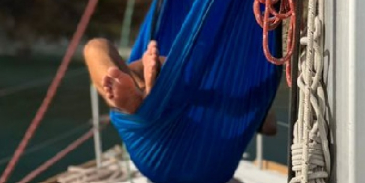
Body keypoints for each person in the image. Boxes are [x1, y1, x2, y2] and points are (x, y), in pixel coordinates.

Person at [82, 37, 277, 134]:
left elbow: (269, 126)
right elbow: (270, 128)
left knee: (96, 50)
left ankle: (141, 99)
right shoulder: (175, 64)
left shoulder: (224, 84)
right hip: (152, 115)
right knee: (95, 46)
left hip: (176, 130)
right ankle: (139, 98)